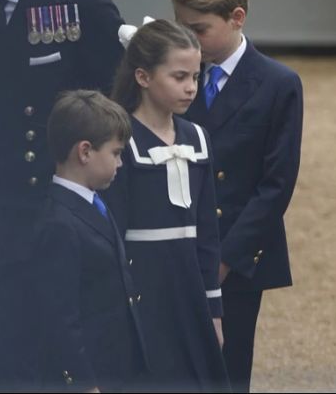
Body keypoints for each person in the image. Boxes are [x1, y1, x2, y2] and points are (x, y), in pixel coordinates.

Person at [0, 0, 125, 391]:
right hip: (5, 207)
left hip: (64, 207)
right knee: (18, 331)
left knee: (61, 334)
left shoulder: (78, 4)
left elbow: (117, 104)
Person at [171, 0, 303, 393]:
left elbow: (275, 185)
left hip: (236, 257)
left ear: (236, 18)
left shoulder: (277, 83)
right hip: (174, 246)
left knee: (226, 373)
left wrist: (225, 259)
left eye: (200, 29)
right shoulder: (172, 79)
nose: (189, 39)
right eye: (181, 27)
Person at [105, 20, 230, 392]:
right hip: (142, 297)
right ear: (143, 77)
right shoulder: (120, 142)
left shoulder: (198, 139)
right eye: (179, 76)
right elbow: (111, 233)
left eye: (195, 75)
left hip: (189, 294)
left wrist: (214, 311)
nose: (191, 86)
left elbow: (207, 234)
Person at [34, 90, 147, 392]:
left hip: (115, 368)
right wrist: (83, 383)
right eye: (115, 153)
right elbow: (61, 317)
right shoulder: (59, 223)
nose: (120, 163)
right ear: (85, 152)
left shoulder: (93, 202)